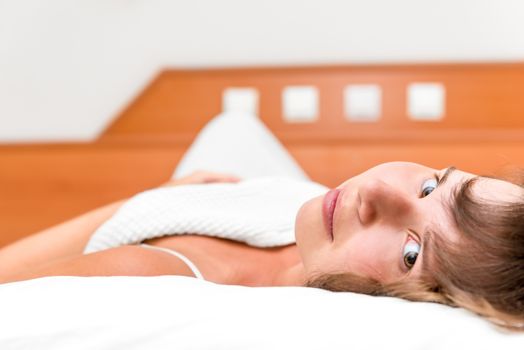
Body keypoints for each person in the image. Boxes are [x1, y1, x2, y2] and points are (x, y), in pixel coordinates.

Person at [0, 162, 522, 331]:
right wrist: (175, 194)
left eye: (411, 253)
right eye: (433, 185)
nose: (380, 192)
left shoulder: (147, 278)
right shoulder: (308, 214)